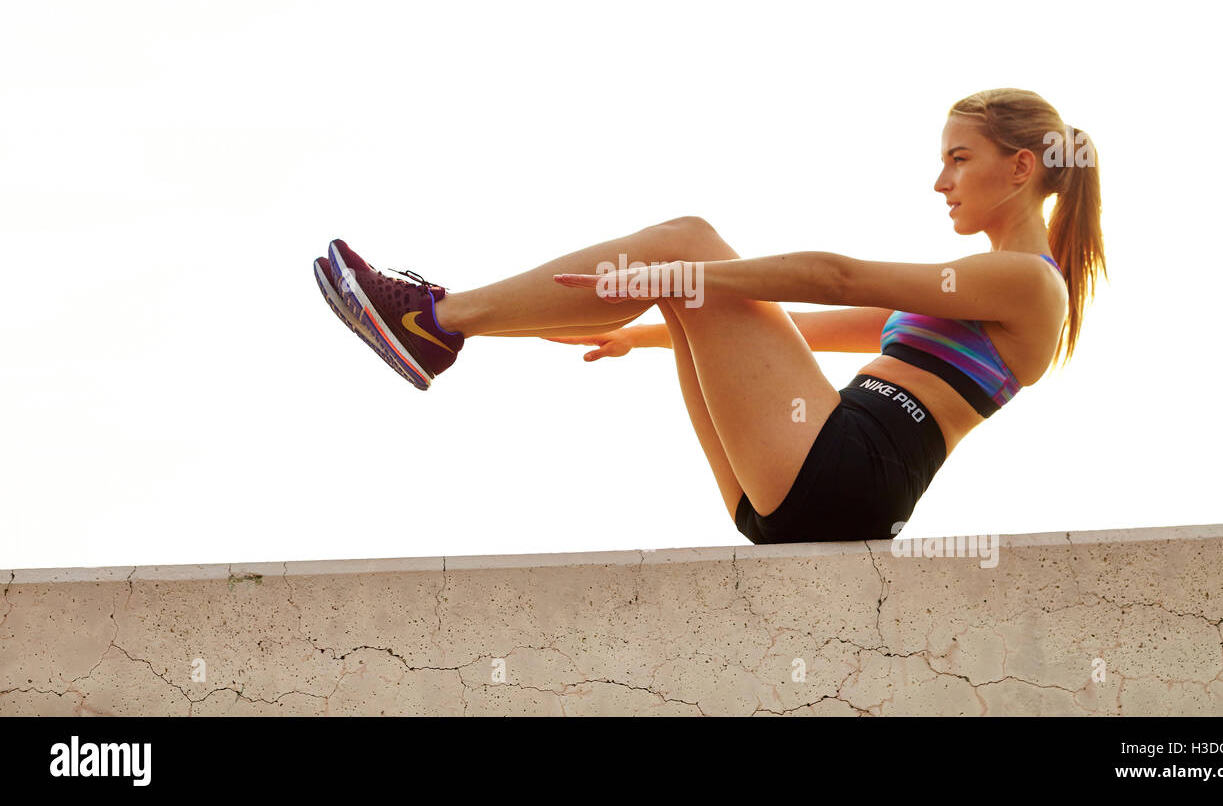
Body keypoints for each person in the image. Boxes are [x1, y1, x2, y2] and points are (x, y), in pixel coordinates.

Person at [312, 87, 1106, 544]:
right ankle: (440, 326)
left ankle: (436, 322)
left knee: (688, 245)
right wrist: (639, 332)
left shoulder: (1029, 285)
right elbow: (802, 332)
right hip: (814, 487)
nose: (940, 181)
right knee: (687, 272)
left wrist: (687, 272)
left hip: (849, 469)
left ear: (1020, 167)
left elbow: (836, 278)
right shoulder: (983, 289)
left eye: (958, 158)